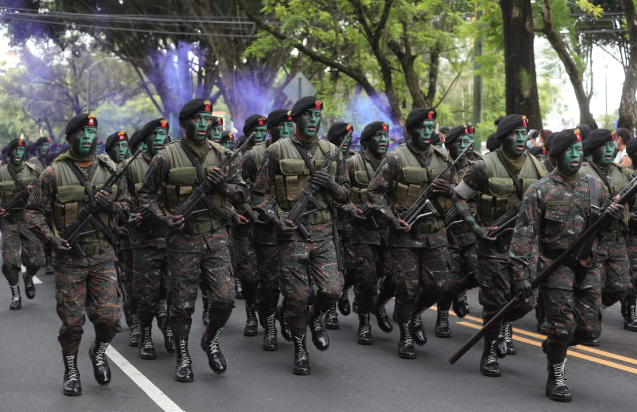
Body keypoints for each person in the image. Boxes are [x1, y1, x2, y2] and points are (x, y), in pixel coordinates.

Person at [138, 99, 248, 382]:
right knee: (182, 305)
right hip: (182, 240)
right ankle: (183, 356)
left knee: (224, 298)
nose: (204, 124)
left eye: (207, 119)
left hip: (216, 238)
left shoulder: (224, 154)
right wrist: (162, 218)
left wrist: (225, 186)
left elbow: (243, 193)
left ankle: (210, 339)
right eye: (198, 119)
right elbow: (146, 196)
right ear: (185, 123)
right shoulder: (165, 157)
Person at [509, 128, 623, 402]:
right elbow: (524, 234)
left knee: (589, 330)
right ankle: (556, 377)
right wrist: (520, 274)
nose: (575, 155)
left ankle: (554, 345)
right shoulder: (539, 191)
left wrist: (612, 215)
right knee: (562, 327)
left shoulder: (593, 186)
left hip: (587, 266)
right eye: (569, 151)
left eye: (578, 150)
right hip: (554, 266)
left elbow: (602, 229)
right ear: (556, 155)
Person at [26, 113, 132, 396]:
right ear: (70, 136)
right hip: (70, 258)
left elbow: (128, 207)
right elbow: (32, 211)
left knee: (110, 319)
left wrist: (113, 207)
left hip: (103, 254)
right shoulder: (53, 173)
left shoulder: (110, 169)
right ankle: (71, 369)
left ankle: (98, 351)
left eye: (92, 132)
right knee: (72, 322)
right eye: (82, 132)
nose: (87, 137)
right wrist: (51, 239)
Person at [251, 96, 349, 375]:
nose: (314, 119)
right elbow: (258, 194)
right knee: (297, 297)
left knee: (332, 290)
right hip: (291, 234)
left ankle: (313, 318)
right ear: (295, 119)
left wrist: (331, 185)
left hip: (324, 233)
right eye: (307, 115)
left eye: (317, 115)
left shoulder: (332, 152)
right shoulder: (276, 151)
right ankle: (300, 349)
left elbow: (345, 195)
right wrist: (275, 220)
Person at [448, 114, 545, 376]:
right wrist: (475, 227)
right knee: (494, 303)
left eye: (524, 133)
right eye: (515, 133)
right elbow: (457, 196)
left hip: (526, 248)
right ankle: (489, 351)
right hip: (493, 247)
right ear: (503, 137)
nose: (522, 138)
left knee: (527, 301)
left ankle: (500, 323)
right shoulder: (483, 166)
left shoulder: (538, 167)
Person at [367, 107, 452, 359]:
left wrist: (450, 189)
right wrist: (391, 219)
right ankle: (405, 332)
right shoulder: (395, 157)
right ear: (411, 130)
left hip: (435, 233)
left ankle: (413, 314)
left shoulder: (444, 158)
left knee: (439, 285)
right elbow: (374, 192)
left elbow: (461, 191)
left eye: (431, 128)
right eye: (422, 128)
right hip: (404, 235)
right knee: (407, 287)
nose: (428, 132)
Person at [243, 108, 294, 350]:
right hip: (265, 231)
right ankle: (269, 326)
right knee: (269, 284)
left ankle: (284, 316)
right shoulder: (253, 156)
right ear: (271, 130)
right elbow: (239, 189)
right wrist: (249, 211)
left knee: (295, 284)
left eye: (290, 125)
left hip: (293, 230)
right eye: (282, 126)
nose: (287, 130)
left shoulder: (298, 152)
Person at [128, 118, 175, 359]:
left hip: (173, 238)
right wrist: (129, 215)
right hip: (144, 240)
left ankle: (168, 329)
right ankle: (145, 334)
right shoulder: (130, 166)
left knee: (172, 292)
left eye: (163, 134)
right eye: (154, 135)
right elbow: (121, 201)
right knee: (146, 295)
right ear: (145, 138)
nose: (159, 139)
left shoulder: (173, 161)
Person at [581, 129, 633, 341]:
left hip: (617, 241)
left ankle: (590, 310)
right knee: (594, 287)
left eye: (611, 145)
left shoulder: (623, 173)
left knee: (621, 286)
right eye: (603, 146)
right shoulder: (582, 172)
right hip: (593, 241)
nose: (609, 150)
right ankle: (589, 321)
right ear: (593, 150)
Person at [347, 121, 392, 344]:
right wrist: (350, 209)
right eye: (378, 136)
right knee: (366, 279)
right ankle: (364, 321)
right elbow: (338, 195)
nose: (384, 140)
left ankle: (377, 305)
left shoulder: (395, 163)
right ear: (365, 142)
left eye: (386, 136)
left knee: (394, 278)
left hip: (390, 232)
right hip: (363, 232)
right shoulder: (352, 164)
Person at [436, 126, 479, 338]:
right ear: (448, 145)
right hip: (447, 232)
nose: (465, 146)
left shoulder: (478, 167)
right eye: (459, 143)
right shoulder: (439, 166)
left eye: (467, 142)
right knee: (447, 282)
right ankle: (443, 315)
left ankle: (460, 290)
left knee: (479, 273)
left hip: (471, 232)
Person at [232, 114, 268, 338]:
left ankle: (268, 314)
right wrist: (243, 212)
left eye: (264, 131)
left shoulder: (273, 153)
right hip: (244, 223)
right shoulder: (239, 157)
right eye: (257, 131)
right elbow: (234, 192)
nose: (261, 135)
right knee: (249, 276)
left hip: (267, 222)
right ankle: (251, 314)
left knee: (268, 275)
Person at [0, 138, 44, 310]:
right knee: (9, 262)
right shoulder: (1, 172)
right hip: (9, 221)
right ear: (9, 153)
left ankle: (28, 277)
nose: (18, 154)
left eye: (21, 150)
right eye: (15, 151)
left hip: (29, 220)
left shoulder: (34, 171)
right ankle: (16, 294)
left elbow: (47, 192)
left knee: (36, 260)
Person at [324, 122, 356, 329]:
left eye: (350, 139)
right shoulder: (325, 157)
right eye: (344, 139)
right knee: (332, 269)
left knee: (352, 266)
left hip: (351, 223)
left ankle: (345, 290)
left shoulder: (353, 160)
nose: (347, 143)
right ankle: (330, 311)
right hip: (329, 221)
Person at [622, 137, 637, 331]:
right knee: (633, 276)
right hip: (630, 235)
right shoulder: (625, 178)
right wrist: (631, 217)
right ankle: (630, 312)